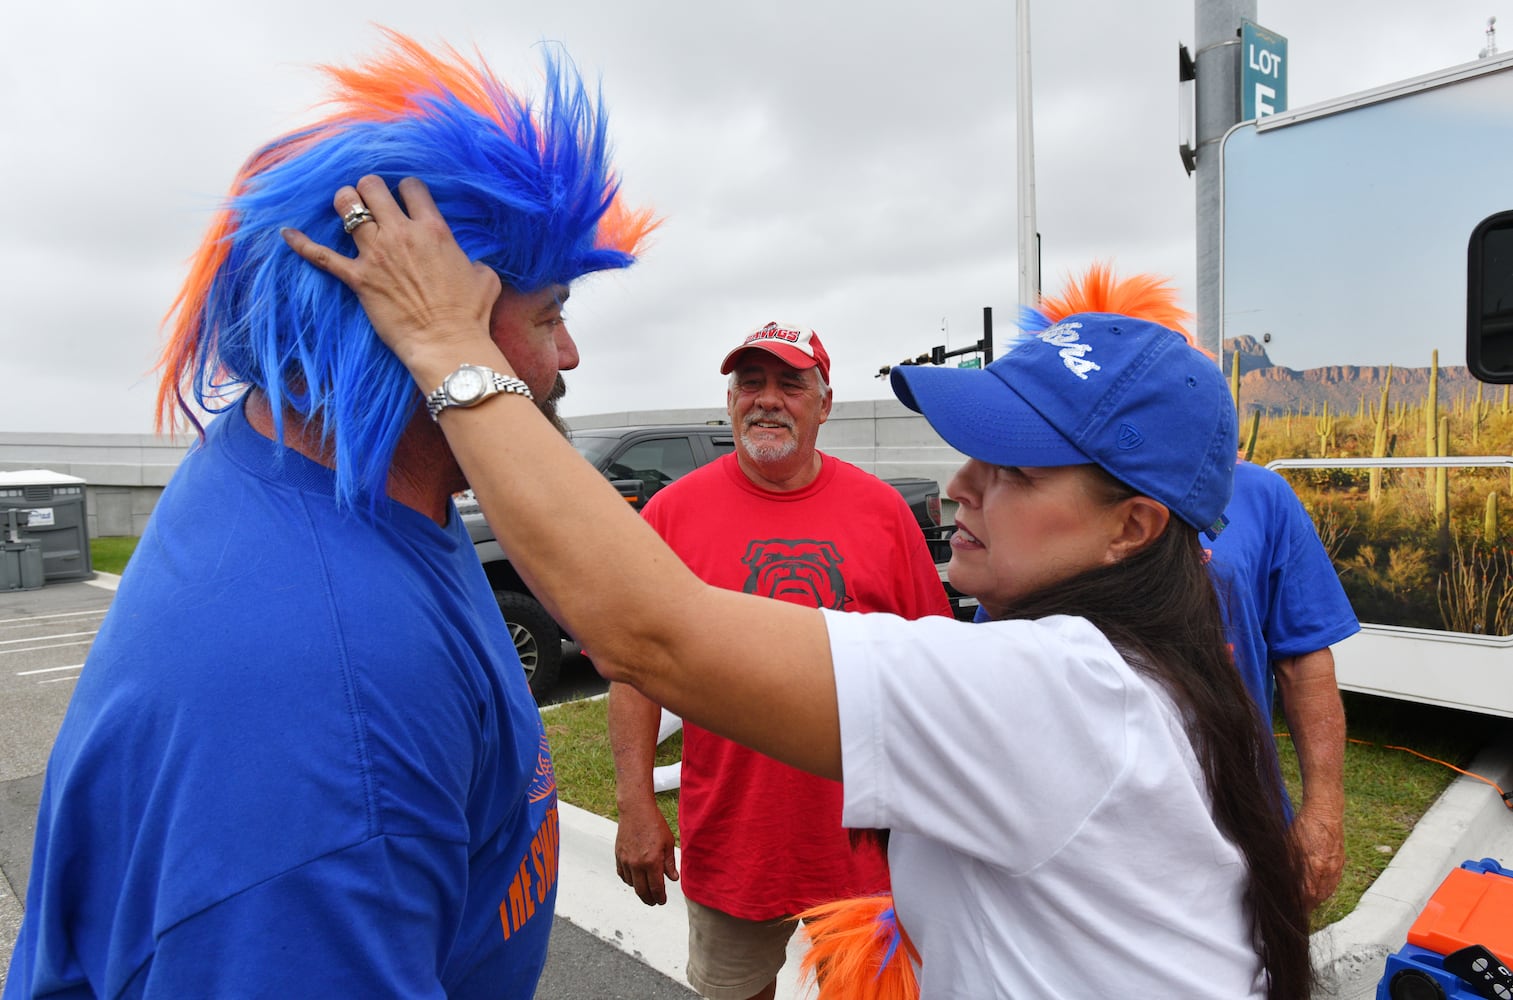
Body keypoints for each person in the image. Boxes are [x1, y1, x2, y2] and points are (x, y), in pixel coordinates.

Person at [286, 178, 1314, 997]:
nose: (960, 484)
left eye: (1015, 471)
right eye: (971, 451)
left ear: (1131, 528)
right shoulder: (1147, 676)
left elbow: (652, 634)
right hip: (741, 862)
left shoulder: (1063, 693)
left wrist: (449, 346)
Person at [3, 34, 653, 999]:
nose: (567, 358)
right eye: (549, 312)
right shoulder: (333, 722)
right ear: (413, 321)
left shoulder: (296, 467)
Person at [980, 265, 1359, 912]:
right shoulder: (1035, 513)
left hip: (1238, 815)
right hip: (1089, 839)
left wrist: (1323, 812)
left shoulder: (1262, 495)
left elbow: (1303, 661)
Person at [607, 322, 952, 1000]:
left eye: (790, 384)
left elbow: (934, 667)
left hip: (866, 843)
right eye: (749, 384)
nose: (766, 400)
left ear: (823, 404)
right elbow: (632, 671)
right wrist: (635, 804)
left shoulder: (881, 512)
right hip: (736, 837)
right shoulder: (672, 514)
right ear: (729, 402)